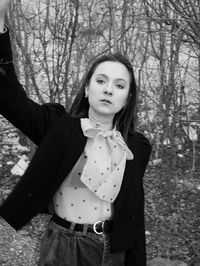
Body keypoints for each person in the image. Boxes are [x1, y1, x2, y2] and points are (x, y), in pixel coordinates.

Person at [0, 0, 152, 265]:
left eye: (119, 85)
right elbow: (8, 96)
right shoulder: (59, 127)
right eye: (101, 81)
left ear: (127, 99)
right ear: (87, 88)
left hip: (112, 249)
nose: (108, 89)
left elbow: (133, 213)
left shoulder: (136, 147)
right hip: (63, 247)